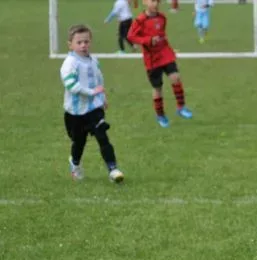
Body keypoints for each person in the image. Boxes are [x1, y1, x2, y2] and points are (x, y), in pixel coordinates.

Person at [60, 24, 124, 183]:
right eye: (79, 42)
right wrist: (91, 92)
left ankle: (113, 169)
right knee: (79, 142)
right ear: (70, 44)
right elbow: (71, 85)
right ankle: (74, 163)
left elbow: (98, 80)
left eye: (86, 42)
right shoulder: (69, 63)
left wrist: (102, 97)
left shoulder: (94, 60)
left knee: (103, 136)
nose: (83, 45)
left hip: (94, 109)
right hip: (75, 112)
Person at [127, 0, 193, 128]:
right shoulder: (140, 20)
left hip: (165, 54)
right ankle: (160, 115)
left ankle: (181, 107)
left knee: (175, 77)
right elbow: (131, 36)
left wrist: (170, 49)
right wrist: (148, 40)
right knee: (158, 88)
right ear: (145, 2)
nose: (155, 4)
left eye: (158, 1)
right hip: (152, 59)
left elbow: (162, 35)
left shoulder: (162, 17)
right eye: (152, 1)